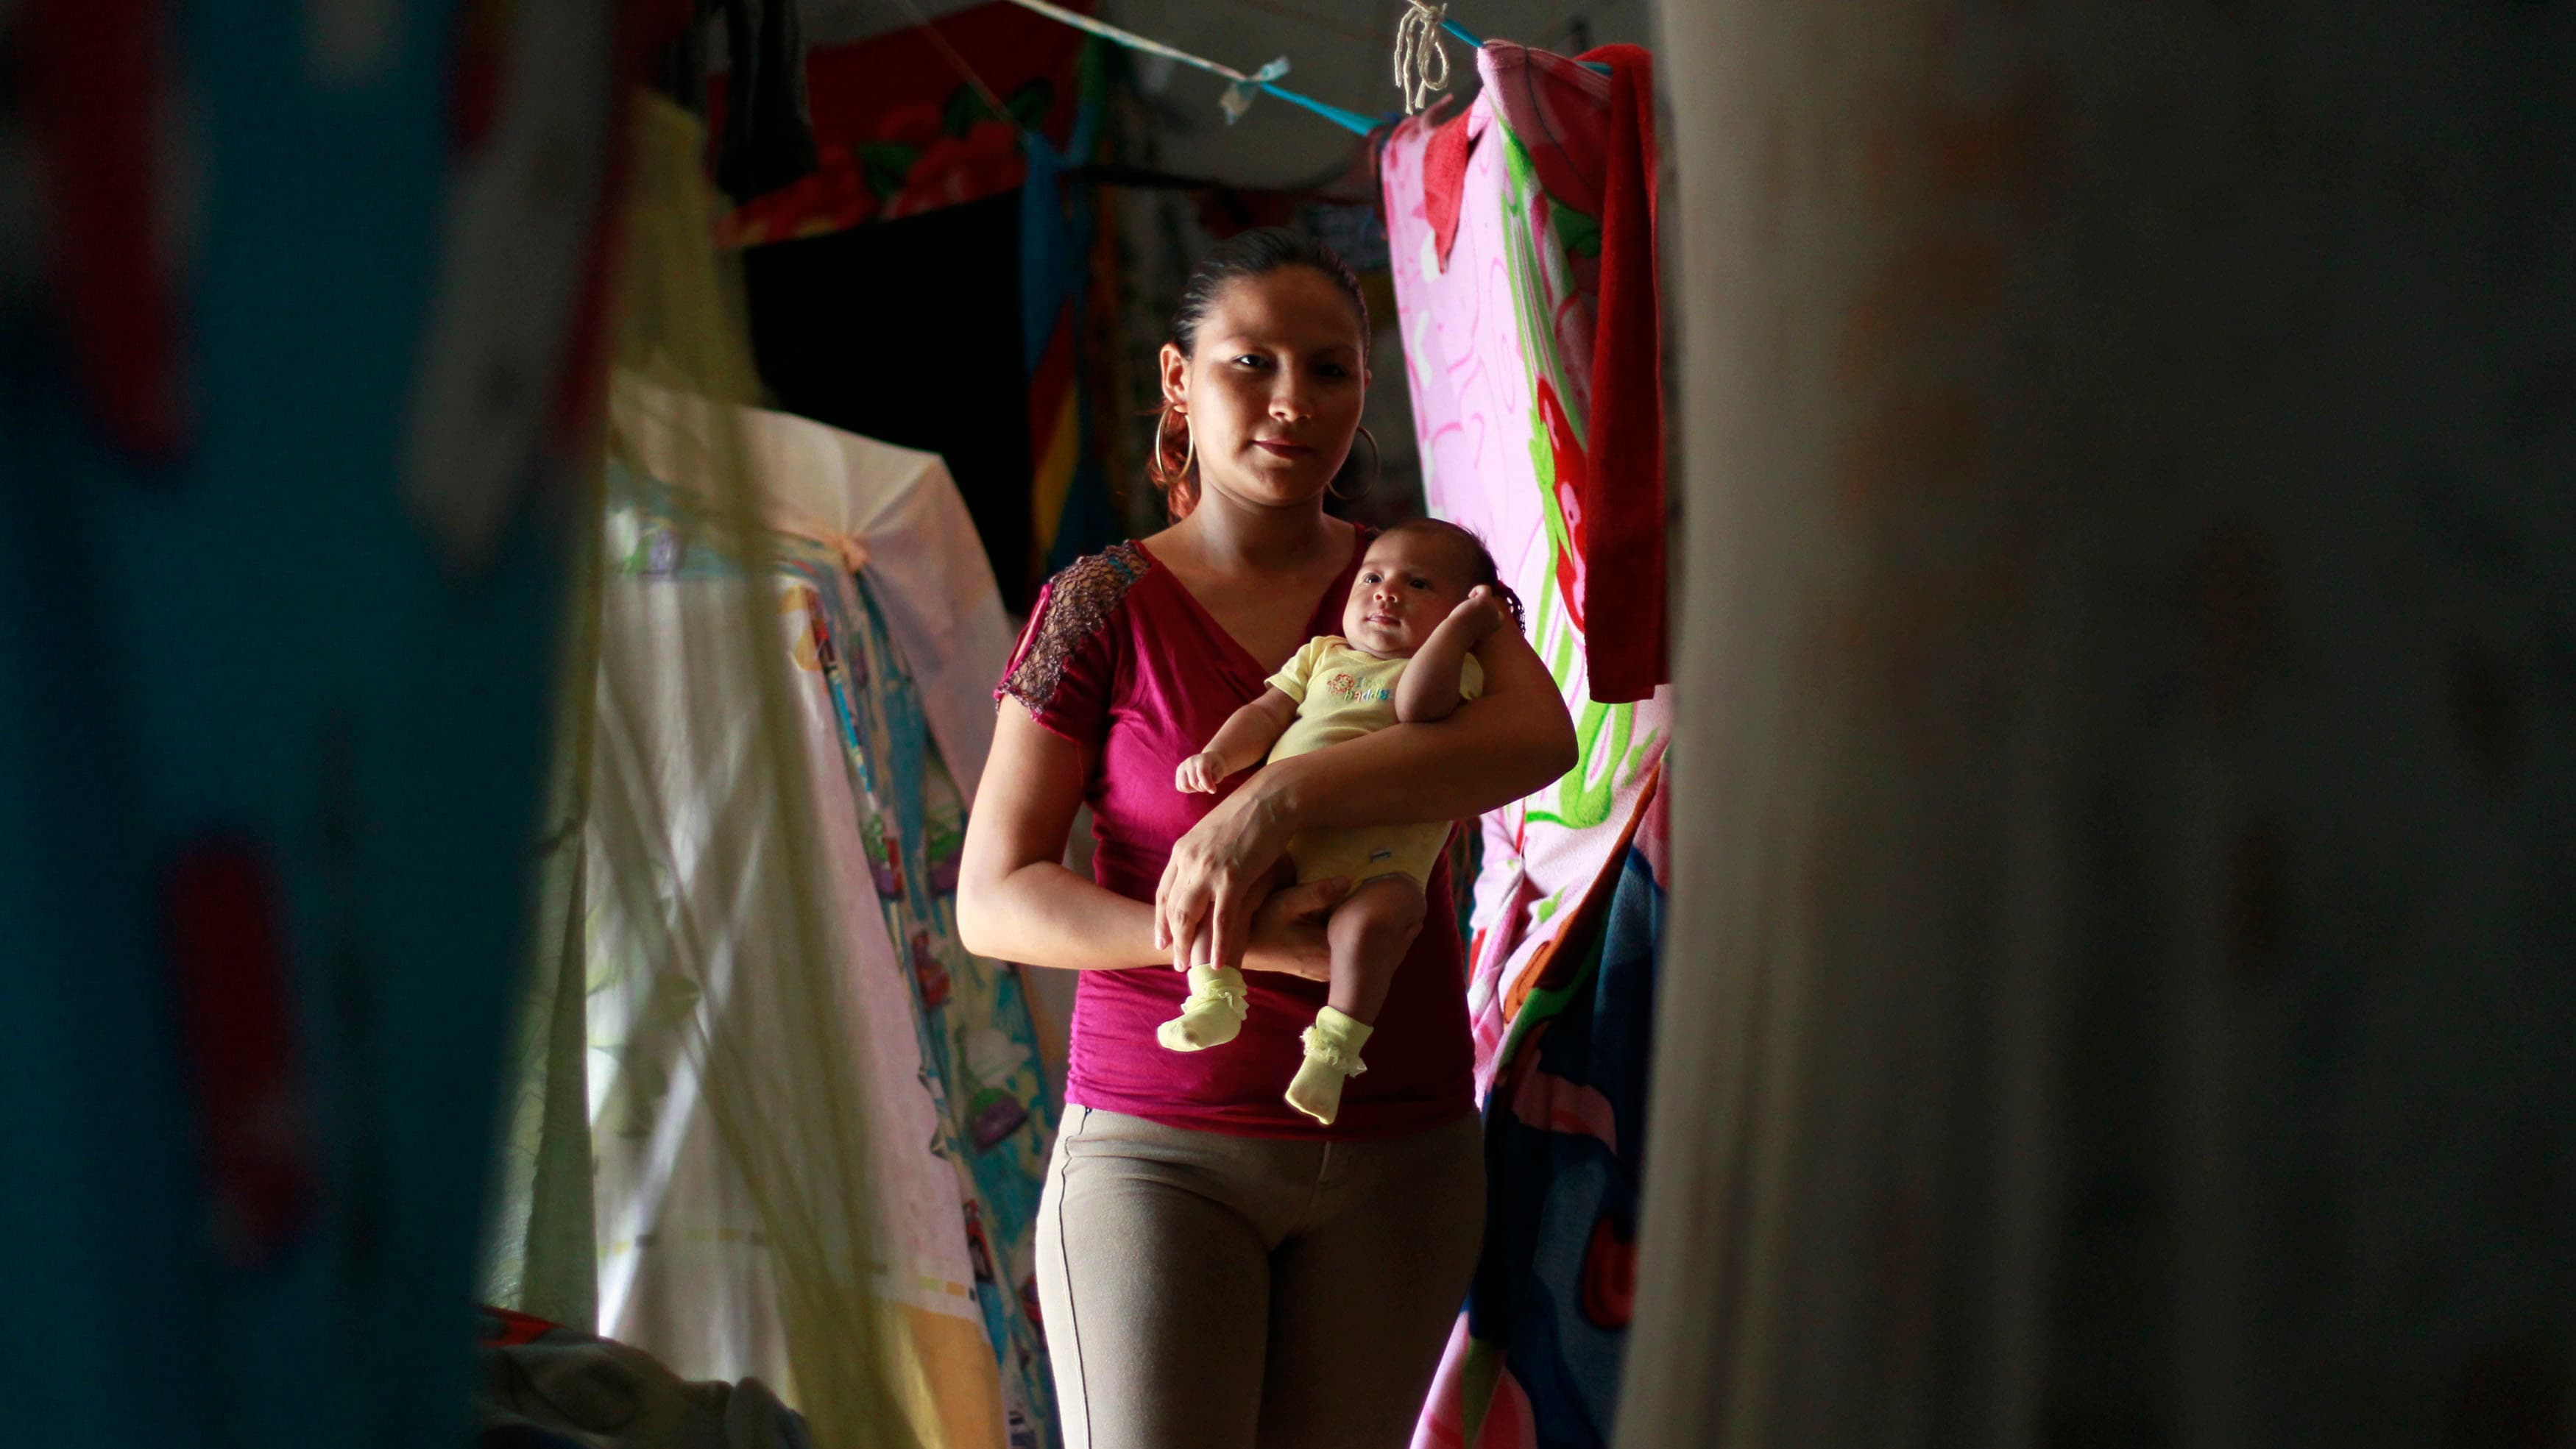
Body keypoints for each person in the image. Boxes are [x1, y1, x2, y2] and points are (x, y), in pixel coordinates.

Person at [956, 227, 1577, 1449]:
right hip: (1159, 1151)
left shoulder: (1422, 577)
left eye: (1333, 368)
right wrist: (1219, 943)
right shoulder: (1102, 604)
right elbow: (994, 895)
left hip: (1404, 1150)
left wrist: (1273, 802)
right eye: (1253, 362)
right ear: (1181, 380)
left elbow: (1537, 741)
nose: (1296, 402)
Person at [1163, 521, 1525, 1128]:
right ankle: (1214, 992)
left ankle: (1332, 1052)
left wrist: (1462, 631)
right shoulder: (1321, 655)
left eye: (1418, 583)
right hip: (1291, 847)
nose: (1388, 593)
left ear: (1462, 610)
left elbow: (1417, 708)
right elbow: (1264, 712)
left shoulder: (1457, 673)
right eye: (1373, 577)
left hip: (1383, 869)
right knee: (1225, 883)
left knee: (1372, 925)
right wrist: (1221, 756)